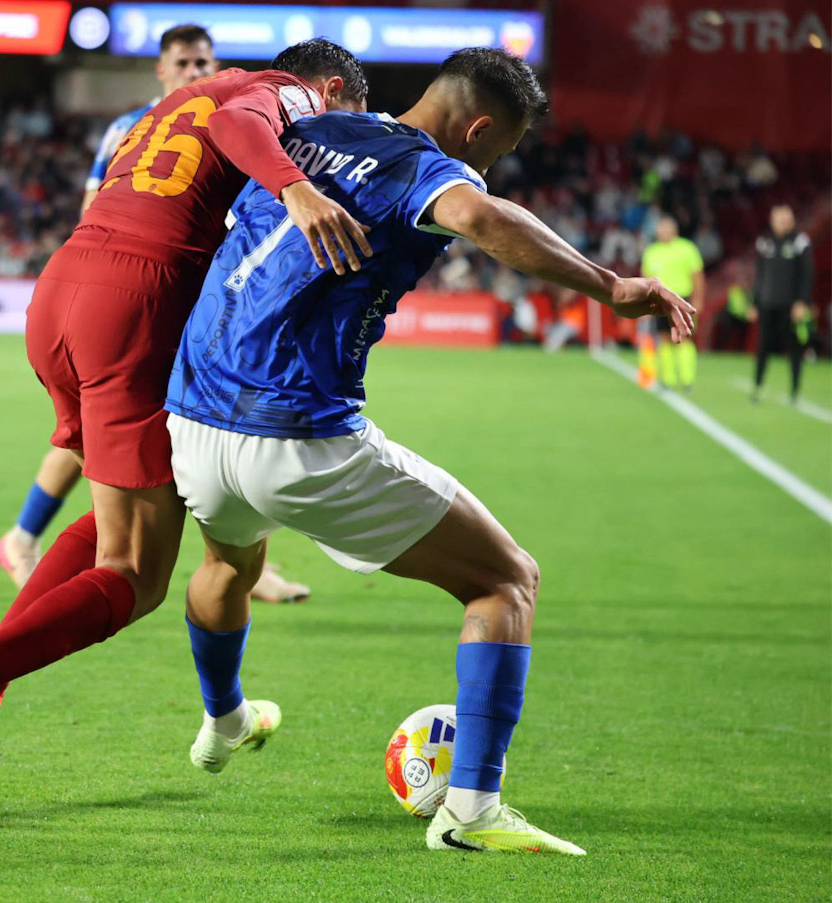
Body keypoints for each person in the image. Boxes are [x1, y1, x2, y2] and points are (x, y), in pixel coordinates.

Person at [162, 48, 694, 855]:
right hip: (296, 436)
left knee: (228, 567)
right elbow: (480, 219)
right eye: (497, 152)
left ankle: (222, 718)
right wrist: (608, 285)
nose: (488, 165)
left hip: (193, 422)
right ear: (478, 128)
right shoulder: (424, 165)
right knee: (507, 579)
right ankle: (474, 806)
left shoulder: (315, 128)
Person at [0, 40, 373, 798]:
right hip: (133, 305)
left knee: (145, 501)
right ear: (333, 88)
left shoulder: (180, 100)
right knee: (136, 575)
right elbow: (246, 124)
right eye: (351, 119)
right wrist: (298, 189)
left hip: (63, 293)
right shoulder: (282, 94)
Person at [0, 23, 310, 604]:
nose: (196, 71)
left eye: (205, 61)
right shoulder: (149, 122)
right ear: (162, 69)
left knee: (120, 491)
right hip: (136, 298)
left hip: (86, 296)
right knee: (139, 543)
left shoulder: (166, 119)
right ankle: (20, 551)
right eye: (186, 63)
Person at [752, 204, 813, 403]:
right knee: (763, 346)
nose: (782, 222)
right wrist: (755, 301)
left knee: (794, 347)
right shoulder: (764, 242)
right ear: (772, 220)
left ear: (792, 220)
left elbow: (807, 274)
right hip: (768, 303)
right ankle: (757, 387)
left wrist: (802, 302)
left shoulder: (800, 242)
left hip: (791, 305)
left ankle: (794, 391)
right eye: (778, 218)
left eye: (785, 219)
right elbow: (759, 275)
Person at [639, 216, 704, 392]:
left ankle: (687, 378)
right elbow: (646, 279)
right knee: (664, 338)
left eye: (668, 228)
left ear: (675, 230)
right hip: (661, 300)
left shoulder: (687, 248)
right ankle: (668, 379)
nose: (665, 231)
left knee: (685, 337)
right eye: (662, 228)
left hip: (682, 298)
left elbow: (697, 275)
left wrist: (698, 299)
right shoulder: (651, 251)